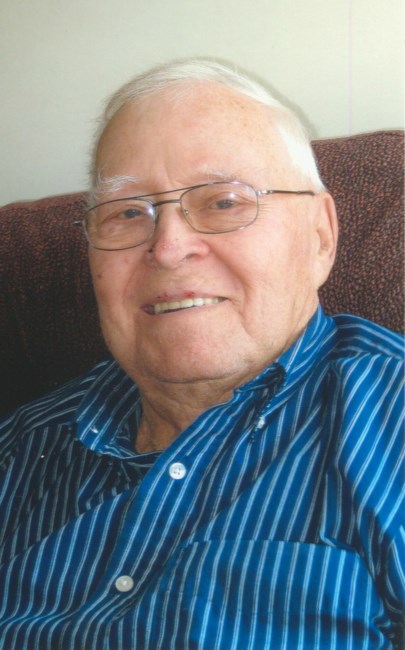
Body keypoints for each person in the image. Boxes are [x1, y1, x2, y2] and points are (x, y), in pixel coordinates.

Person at [0, 59, 403, 650]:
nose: (168, 248)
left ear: (320, 235)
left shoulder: (391, 420)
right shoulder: (20, 451)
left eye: (224, 202)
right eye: (127, 213)